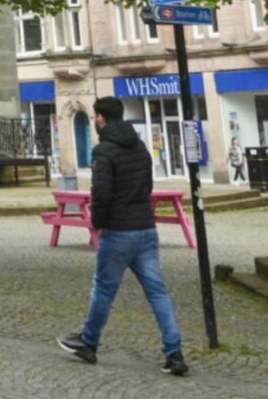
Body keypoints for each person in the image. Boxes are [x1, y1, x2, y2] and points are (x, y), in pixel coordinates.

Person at [58, 95, 186, 376]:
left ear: (101, 118)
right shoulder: (140, 146)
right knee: (158, 292)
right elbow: (147, 185)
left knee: (104, 288)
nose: (95, 122)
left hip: (118, 231)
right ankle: (174, 353)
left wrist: (99, 223)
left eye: (95, 118)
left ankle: (89, 342)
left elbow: (101, 192)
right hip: (145, 228)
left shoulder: (103, 151)